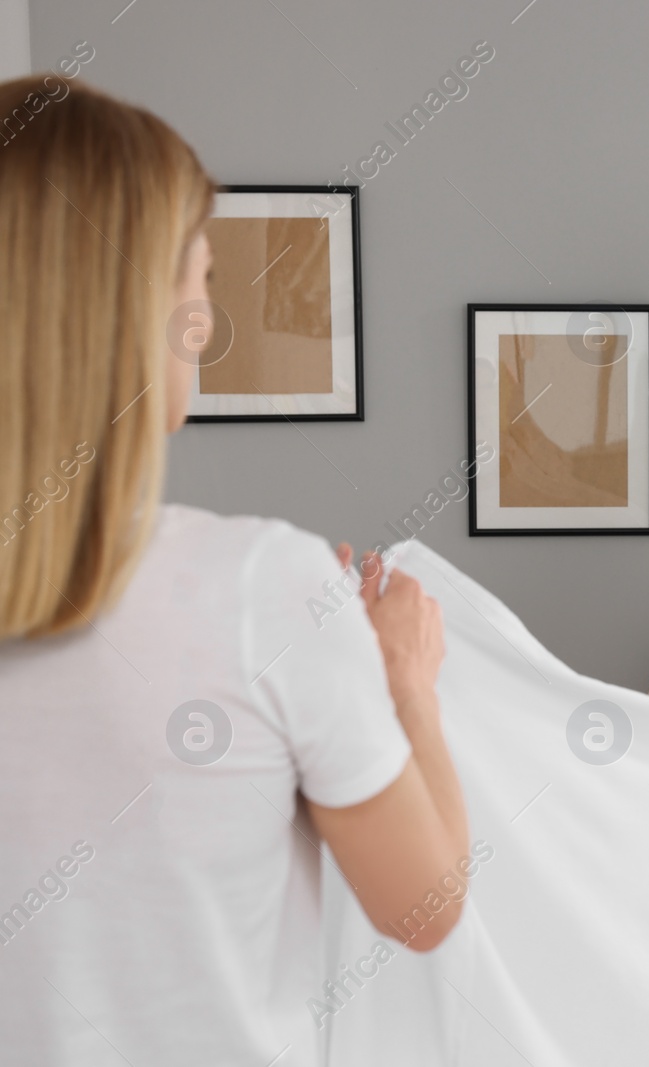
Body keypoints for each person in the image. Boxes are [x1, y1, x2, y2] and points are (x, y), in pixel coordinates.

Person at [0, 76, 471, 1065]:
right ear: (137, 310)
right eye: (198, 279)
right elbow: (425, 907)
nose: (205, 321)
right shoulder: (266, 589)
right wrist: (406, 685)